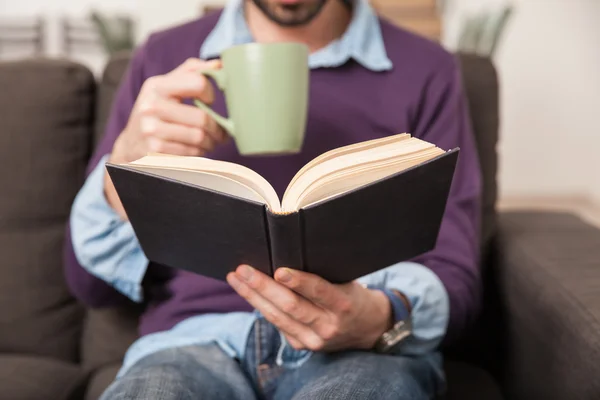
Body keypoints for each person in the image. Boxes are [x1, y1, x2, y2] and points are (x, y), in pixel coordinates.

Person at [65, 0, 482, 398]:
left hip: (361, 350)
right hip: (191, 340)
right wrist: (124, 167)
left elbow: (455, 273)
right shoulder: (163, 57)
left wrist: (382, 316)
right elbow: (92, 289)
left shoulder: (427, 68)